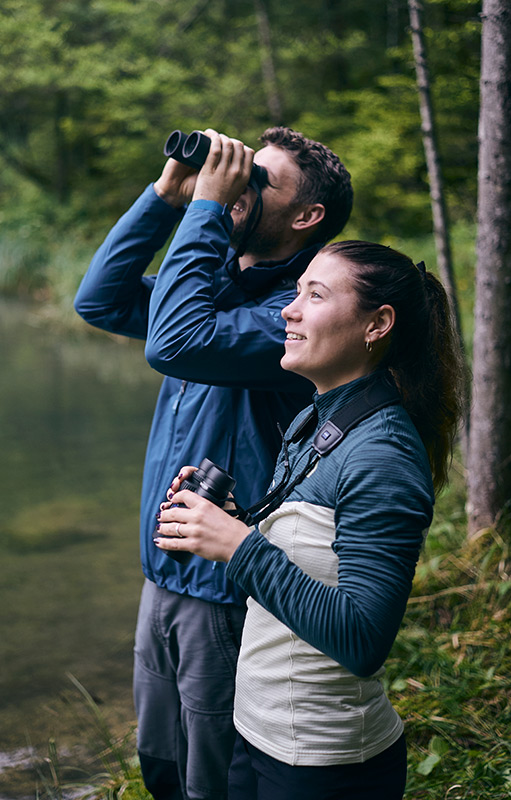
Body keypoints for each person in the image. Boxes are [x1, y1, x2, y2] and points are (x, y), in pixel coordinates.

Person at [74, 126, 353, 800]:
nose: (235, 184)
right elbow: (100, 301)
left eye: (259, 180)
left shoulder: (294, 317)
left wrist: (204, 210)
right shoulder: (214, 283)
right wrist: (167, 196)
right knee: (160, 755)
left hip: (228, 587)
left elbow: (174, 343)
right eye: (239, 171)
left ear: (305, 217)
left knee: (214, 772)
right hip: (164, 570)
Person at [154, 241, 467, 800]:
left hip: (323, 763)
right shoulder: (317, 417)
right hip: (258, 735)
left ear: (378, 324)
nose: (288, 311)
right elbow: (302, 563)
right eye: (296, 291)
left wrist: (239, 546)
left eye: (314, 295)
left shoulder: (382, 454)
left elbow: (364, 638)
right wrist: (225, 524)